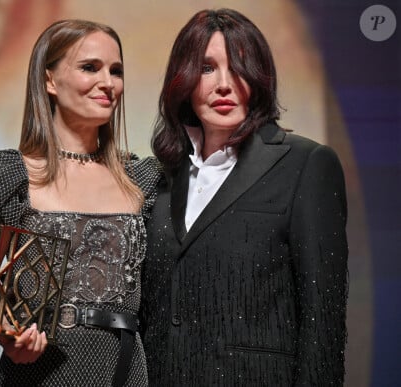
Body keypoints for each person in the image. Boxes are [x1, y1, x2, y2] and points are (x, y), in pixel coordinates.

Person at [0, 19, 160, 386]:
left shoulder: (139, 179)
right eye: (89, 67)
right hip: (37, 370)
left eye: (116, 71)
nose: (108, 83)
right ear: (50, 81)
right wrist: (6, 335)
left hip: (122, 368)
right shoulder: (13, 178)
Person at [140, 8, 348, 386]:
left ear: (259, 77)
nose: (224, 84)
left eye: (238, 67)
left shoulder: (306, 164)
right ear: (182, 80)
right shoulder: (159, 178)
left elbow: (324, 323)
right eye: (206, 68)